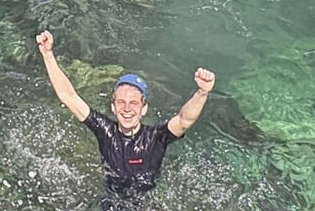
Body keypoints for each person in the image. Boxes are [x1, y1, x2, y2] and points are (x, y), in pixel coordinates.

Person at [34, 30, 214, 195]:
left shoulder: (156, 138)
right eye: (121, 102)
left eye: (134, 103)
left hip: (146, 205)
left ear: (144, 109)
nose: (127, 109)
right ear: (113, 107)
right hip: (111, 200)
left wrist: (202, 92)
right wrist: (48, 55)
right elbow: (68, 96)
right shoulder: (105, 130)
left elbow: (184, 120)